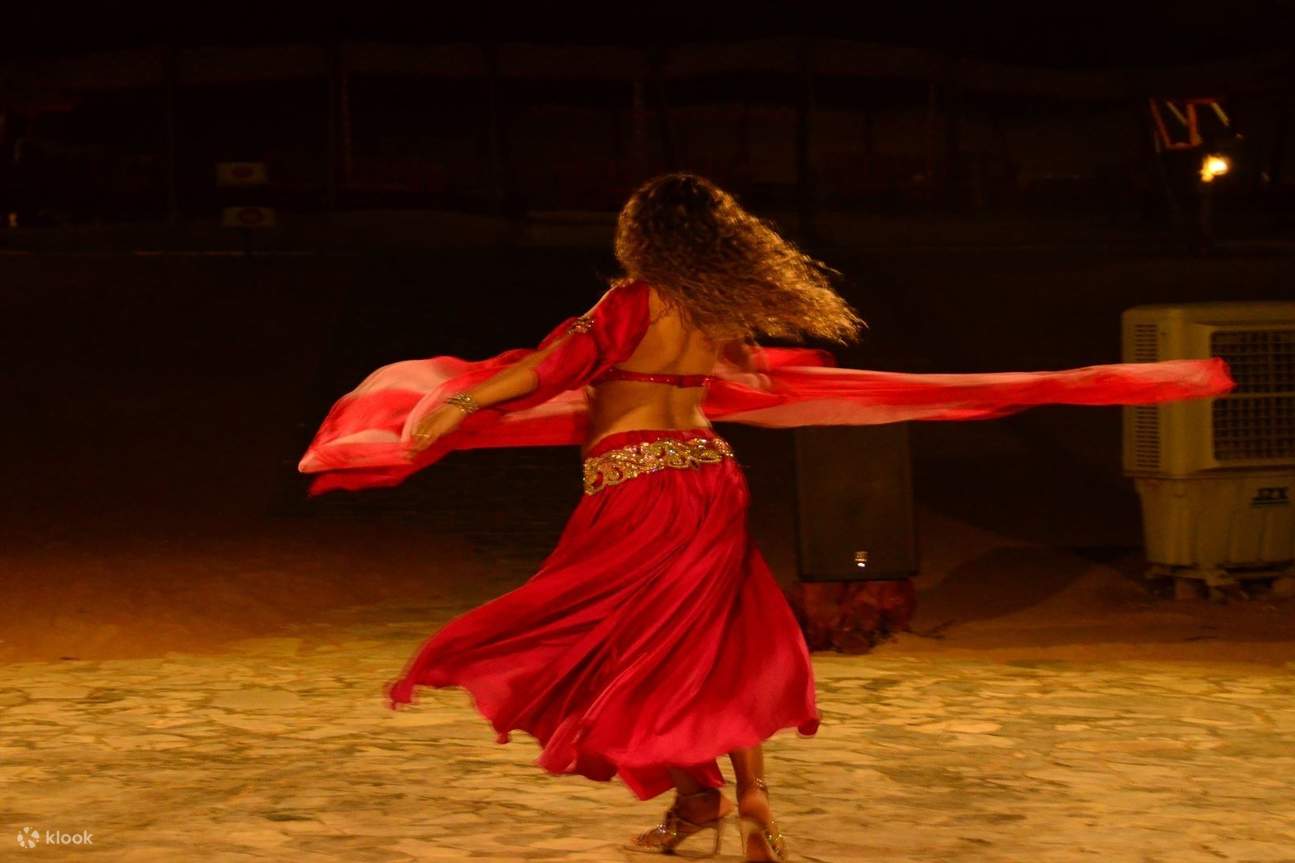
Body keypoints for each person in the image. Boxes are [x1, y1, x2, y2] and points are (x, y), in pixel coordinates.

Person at [297, 172, 1234, 862]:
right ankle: (745, 806)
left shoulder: (627, 303)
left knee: (614, 641)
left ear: (641, 241)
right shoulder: (716, 313)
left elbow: (548, 370)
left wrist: (454, 407)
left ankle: (693, 799)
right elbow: (741, 375)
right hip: (710, 477)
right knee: (720, 641)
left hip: (634, 487)